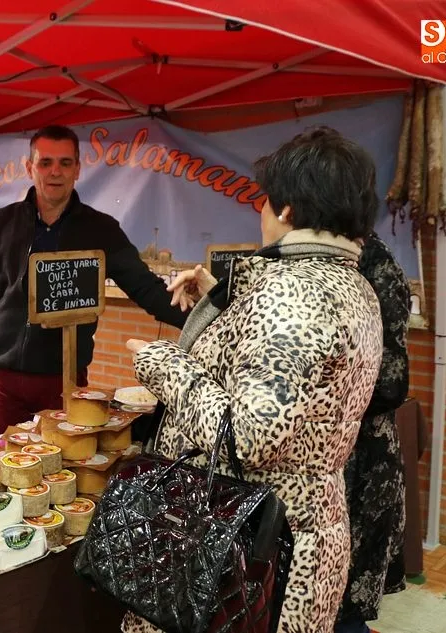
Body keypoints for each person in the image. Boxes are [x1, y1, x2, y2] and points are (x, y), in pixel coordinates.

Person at [124, 126, 384, 633]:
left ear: (286, 209)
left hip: (250, 546)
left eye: (265, 201)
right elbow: (291, 380)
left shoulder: (292, 294)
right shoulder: (350, 284)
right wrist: (223, 300)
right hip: (295, 530)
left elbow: (246, 439)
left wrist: (163, 365)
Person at [0, 124, 187, 432]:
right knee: (11, 456)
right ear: (30, 168)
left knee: (64, 457)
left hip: (63, 379)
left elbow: (146, 289)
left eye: (65, 163)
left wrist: (203, 318)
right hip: (3, 377)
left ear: (77, 169)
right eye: (45, 162)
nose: (55, 171)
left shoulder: (101, 229)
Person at [334, 233, 410, 633]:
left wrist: (322, 403)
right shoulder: (325, 259)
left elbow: (391, 384)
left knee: (343, 604)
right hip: (332, 456)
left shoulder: (375, 265)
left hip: (360, 458)